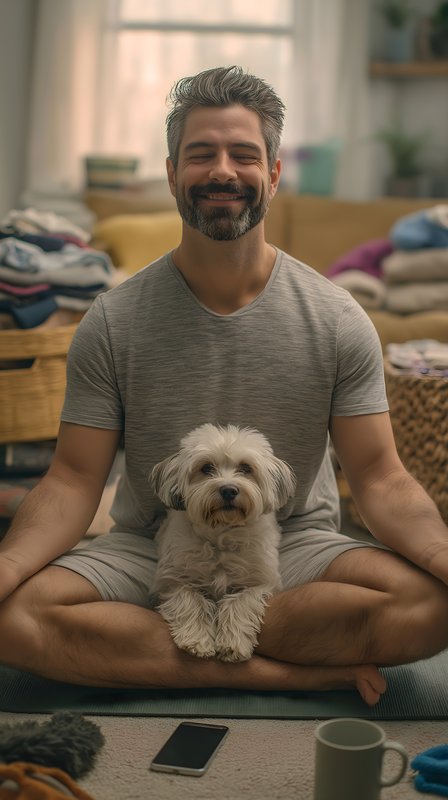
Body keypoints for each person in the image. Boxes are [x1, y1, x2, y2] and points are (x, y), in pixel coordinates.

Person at [1, 65, 448, 707]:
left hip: (295, 544)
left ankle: (168, 649)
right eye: (200, 154)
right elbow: (72, 479)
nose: (222, 171)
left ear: (271, 174)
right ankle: (292, 674)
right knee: (11, 616)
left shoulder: (337, 316)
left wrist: (439, 553)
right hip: (152, 544)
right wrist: (9, 568)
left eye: (243, 154)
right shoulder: (113, 319)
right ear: (172, 172)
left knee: (431, 608)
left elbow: (380, 477)